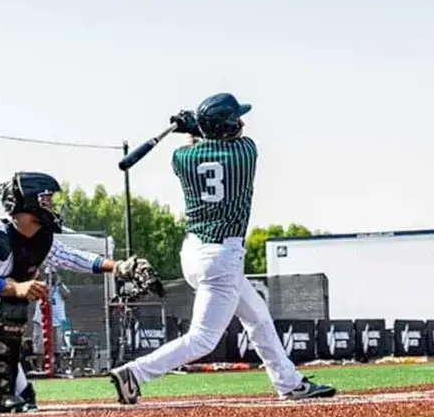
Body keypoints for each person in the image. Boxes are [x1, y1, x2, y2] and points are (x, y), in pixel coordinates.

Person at [109, 93, 336, 404]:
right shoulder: (245, 153)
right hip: (222, 258)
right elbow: (227, 139)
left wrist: (190, 127)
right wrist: (197, 125)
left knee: (257, 317)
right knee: (202, 339)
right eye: (235, 119)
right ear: (226, 128)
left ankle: (289, 382)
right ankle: (135, 372)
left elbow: (196, 146)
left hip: (194, 252)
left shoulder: (183, 159)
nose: (241, 123)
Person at [0, 171, 162, 414]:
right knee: (12, 306)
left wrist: (119, 267)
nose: (52, 206)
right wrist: (14, 287)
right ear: (28, 203)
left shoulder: (40, 238)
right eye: (46, 200)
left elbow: (73, 258)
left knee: (23, 397)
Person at [31, 267, 70, 372]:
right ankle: (40, 368)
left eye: (53, 274)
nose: (50, 277)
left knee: (57, 345)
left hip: (57, 321)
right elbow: (33, 297)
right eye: (48, 275)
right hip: (41, 320)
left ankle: (58, 367)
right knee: (40, 346)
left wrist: (59, 284)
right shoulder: (40, 286)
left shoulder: (60, 287)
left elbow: (67, 295)